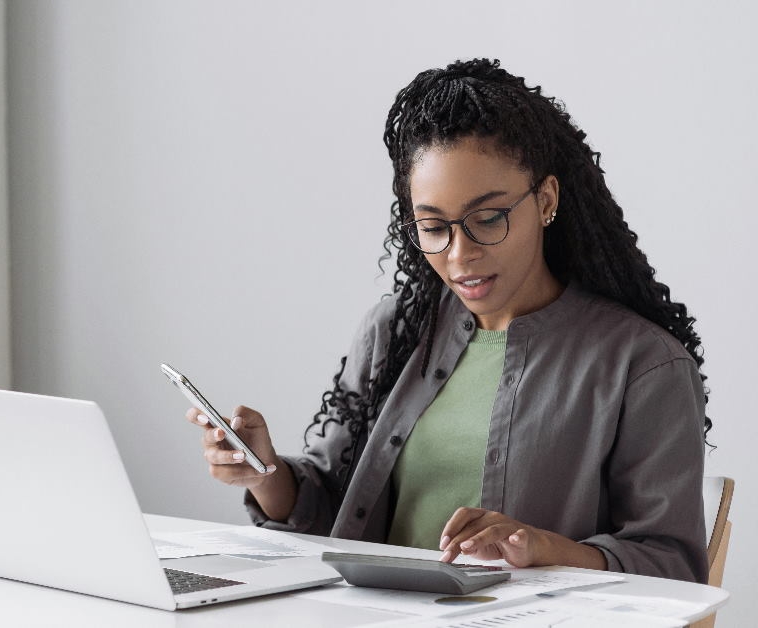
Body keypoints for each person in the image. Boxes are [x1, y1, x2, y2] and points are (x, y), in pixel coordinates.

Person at [185, 58, 709, 583]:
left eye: (488, 219)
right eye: (433, 227)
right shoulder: (396, 331)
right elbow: (337, 510)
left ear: (546, 200)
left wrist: (543, 547)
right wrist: (264, 471)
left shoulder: (643, 366)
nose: (460, 255)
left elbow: (674, 564)